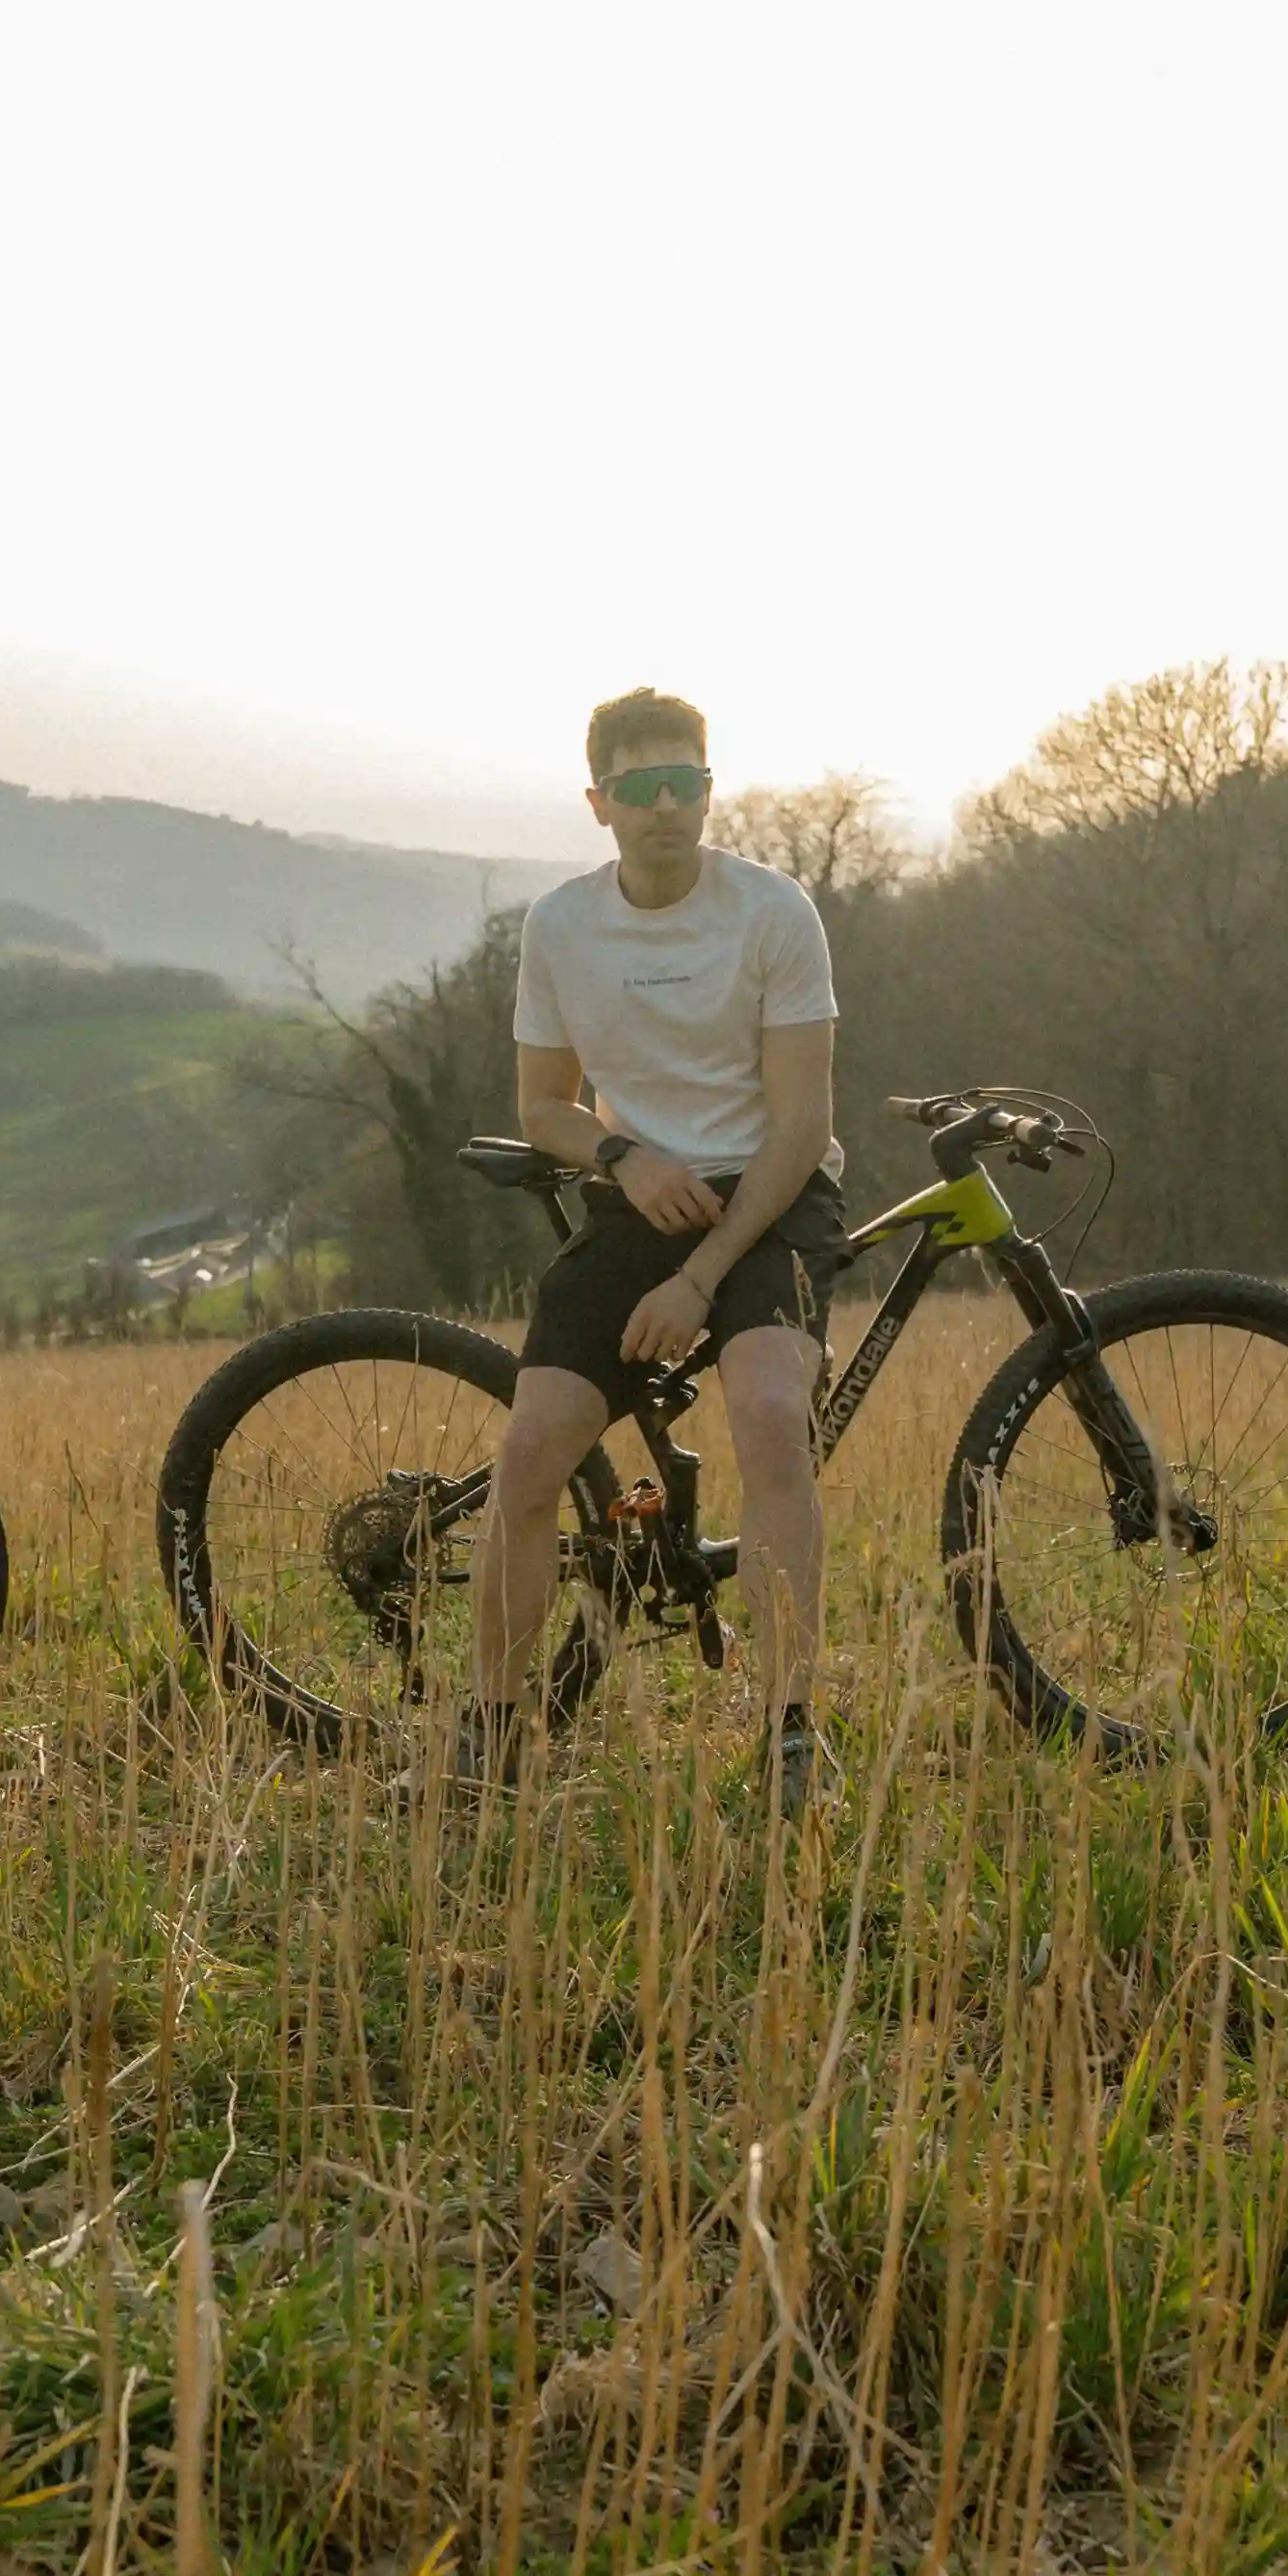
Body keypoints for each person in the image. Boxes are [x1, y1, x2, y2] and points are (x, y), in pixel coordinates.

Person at [458, 689, 844, 1808]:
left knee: (773, 1423)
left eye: (688, 782)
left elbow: (802, 1126)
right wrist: (623, 1157)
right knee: (531, 1456)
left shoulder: (774, 913)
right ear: (599, 803)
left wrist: (700, 1279)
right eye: (640, 786)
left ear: (710, 792)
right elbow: (543, 1106)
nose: (667, 806)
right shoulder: (561, 925)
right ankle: (492, 1728)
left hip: (770, 1201)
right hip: (639, 1197)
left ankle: (789, 1737)